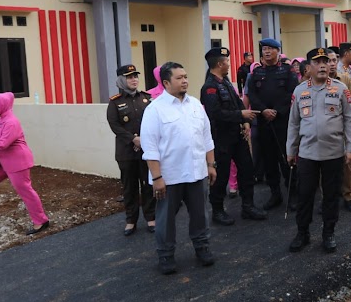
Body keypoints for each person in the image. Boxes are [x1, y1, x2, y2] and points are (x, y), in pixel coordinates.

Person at [140, 62, 217, 275]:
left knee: (200, 214)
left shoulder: (195, 105)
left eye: (185, 76)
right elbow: (150, 147)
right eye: (179, 78)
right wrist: (157, 178)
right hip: (169, 176)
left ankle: (202, 248)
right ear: (166, 83)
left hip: (197, 172)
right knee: (165, 220)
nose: (185, 81)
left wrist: (211, 165)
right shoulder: (154, 109)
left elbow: (207, 137)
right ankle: (166, 255)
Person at [287, 48, 351, 253]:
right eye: (317, 62)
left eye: (325, 62)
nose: (322, 66)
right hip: (307, 153)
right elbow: (294, 123)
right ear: (308, 67)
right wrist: (291, 150)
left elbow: (349, 120)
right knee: (305, 195)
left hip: (333, 153)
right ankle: (303, 233)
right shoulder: (300, 91)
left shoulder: (340, 88)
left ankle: (329, 233)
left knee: (331, 196)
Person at [201, 48, 267, 226]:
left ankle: (248, 206)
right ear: (219, 64)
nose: (229, 64)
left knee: (246, 170)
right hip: (221, 138)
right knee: (221, 176)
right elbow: (215, 113)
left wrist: (244, 121)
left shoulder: (226, 82)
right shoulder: (209, 87)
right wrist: (241, 115)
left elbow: (238, 102)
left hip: (237, 135)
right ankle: (218, 211)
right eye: (227, 62)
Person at [0, 92, 49, 235]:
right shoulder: (1, 120)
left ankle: (41, 221)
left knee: (25, 191)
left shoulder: (11, 122)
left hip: (17, 162)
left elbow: (2, 144)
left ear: (1, 106)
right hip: (1, 161)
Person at [246, 38, 299, 210]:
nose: (267, 52)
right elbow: (252, 95)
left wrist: (276, 111)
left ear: (278, 51)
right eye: (264, 49)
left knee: (286, 159)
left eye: (270, 49)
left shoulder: (288, 71)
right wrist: (263, 110)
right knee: (269, 160)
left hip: (282, 122)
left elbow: (292, 93)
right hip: (264, 122)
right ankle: (275, 194)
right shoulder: (256, 73)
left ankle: (292, 194)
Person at [106, 64, 155, 236]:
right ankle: (131, 220)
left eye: (135, 76)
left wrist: (144, 139)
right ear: (121, 80)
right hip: (126, 152)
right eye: (129, 77)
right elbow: (114, 125)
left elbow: (153, 121)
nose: (134, 79)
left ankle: (151, 217)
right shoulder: (115, 102)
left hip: (146, 150)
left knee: (148, 185)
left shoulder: (146, 98)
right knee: (129, 187)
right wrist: (133, 139)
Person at [327, 47, 351, 210]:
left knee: (346, 165)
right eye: (328, 61)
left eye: (334, 60)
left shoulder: (345, 79)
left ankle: (348, 196)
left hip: (342, 130)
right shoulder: (314, 82)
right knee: (325, 168)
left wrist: (343, 119)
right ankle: (328, 198)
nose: (332, 64)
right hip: (324, 133)